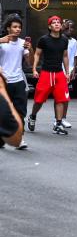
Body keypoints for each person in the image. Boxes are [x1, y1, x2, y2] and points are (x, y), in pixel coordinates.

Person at [28, 15, 71, 136]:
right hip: (46, 73)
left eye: (58, 22)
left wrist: (67, 72)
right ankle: (33, 116)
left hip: (59, 73)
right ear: (49, 26)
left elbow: (65, 56)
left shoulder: (64, 40)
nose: (57, 24)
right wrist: (34, 69)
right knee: (39, 100)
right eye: (54, 22)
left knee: (61, 99)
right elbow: (37, 54)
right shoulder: (43, 40)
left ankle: (57, 124)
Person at [0, 15, 31, 149]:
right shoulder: (1, 42)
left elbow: (30, 63)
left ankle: (20, 138)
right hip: (3, 81)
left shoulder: (22, 43)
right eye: (15, 27)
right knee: (3, 112)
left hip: (18, 81)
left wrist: (30, 49)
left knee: (20, 111)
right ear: (8, 28)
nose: (18, 29)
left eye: (19, 27)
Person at [61, 19, 77, 130]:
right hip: (59, 70)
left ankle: (63, 118)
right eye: (67, 27)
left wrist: (74, 70)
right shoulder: (60, 39)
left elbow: (75, 57)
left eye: (71, 27)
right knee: (60, 95)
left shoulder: (74, 41)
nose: (69, 29)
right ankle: (58, 119)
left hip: (69, 72)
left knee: (66, 95)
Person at [0, 71, 25, 149]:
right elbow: (15, 139)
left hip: (18, 79)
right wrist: (1, 88)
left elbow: (29, 62)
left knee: (21, 109)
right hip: (7, 79)